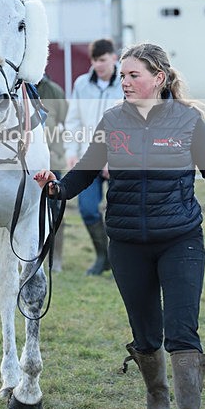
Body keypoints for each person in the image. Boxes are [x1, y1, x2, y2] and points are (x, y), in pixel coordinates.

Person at [35, 42, 205, 409]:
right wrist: (57, 188)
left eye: (134, 75)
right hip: (127, 242)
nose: (126, 83)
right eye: (123, 76)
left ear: (159, 78)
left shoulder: (188, 121)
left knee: (183, 329)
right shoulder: (113, 120)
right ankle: (157, 399)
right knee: (146, 332)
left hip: (181, 239)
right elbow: (85, 169)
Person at [64, 38, 122, 275]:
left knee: (118, 213)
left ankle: (121, 260)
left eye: (103, 60)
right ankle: (103, 256)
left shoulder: (126, 83)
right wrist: (71, 152)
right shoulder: (82, 85)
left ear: (114, 58)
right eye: (95, 60)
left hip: (120, 158)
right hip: (89, 157)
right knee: (87, 208)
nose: (98, 65)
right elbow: (74, 120)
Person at [37, 71, 68, 271]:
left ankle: (56, 256)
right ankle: (35, 253)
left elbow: (67, 120)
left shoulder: (54, 91)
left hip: (52, 160)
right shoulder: (16, 89)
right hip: (23, 163)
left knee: (55, 210)